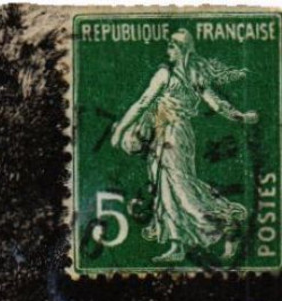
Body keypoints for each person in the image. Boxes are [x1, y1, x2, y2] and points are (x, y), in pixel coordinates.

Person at [109, 29, 257, 263]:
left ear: (182, 50)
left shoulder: (168, 75)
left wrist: (119, 130)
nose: (168, 50)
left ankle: (228, 224)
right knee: (165, 189)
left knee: (180, 188)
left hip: (173, 135)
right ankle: (176, 245)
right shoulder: (189, 74)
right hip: (168, 134)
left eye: (172, 46)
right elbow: (216, 104)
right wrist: (240, 116)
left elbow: (142, 103)